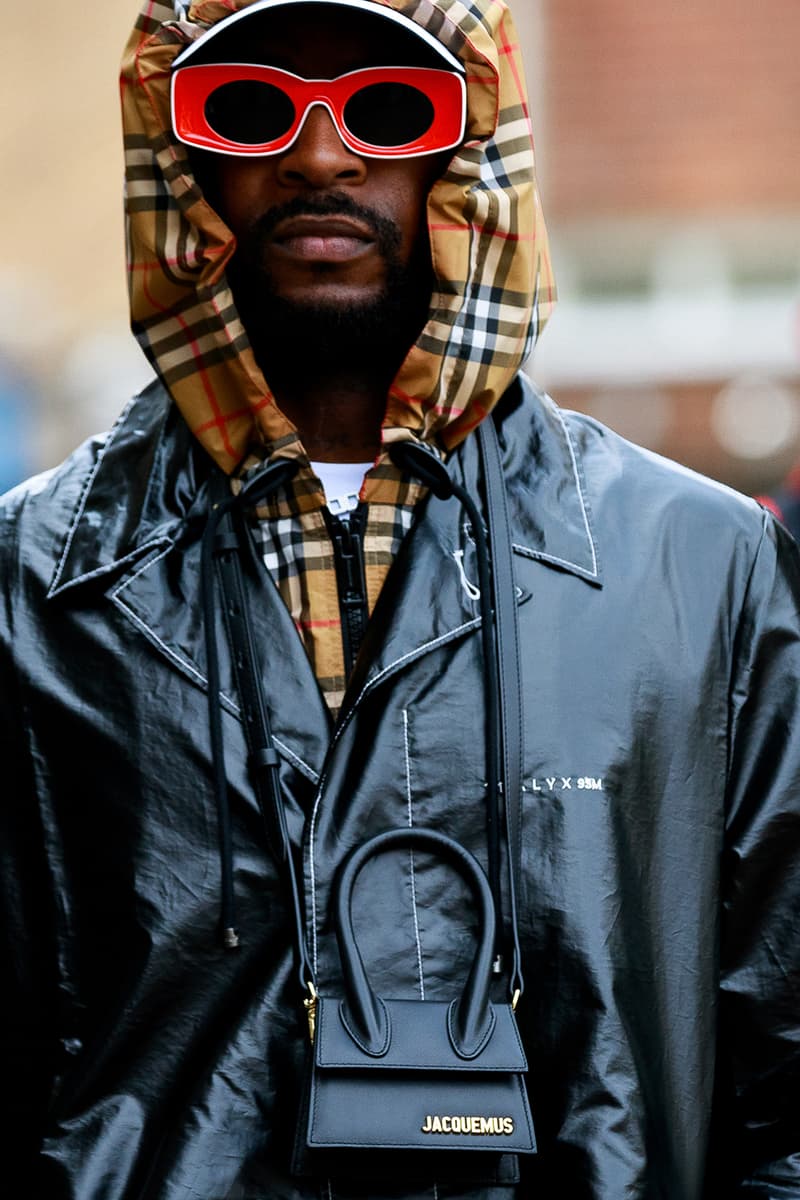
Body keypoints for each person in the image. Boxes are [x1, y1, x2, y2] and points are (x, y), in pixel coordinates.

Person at [2, 1, 799, 1197]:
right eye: (249, 104)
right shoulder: (28, 585)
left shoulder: (701, 567)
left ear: (468, 144)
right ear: (179, 152)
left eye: (387, 105)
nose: (321, 154)